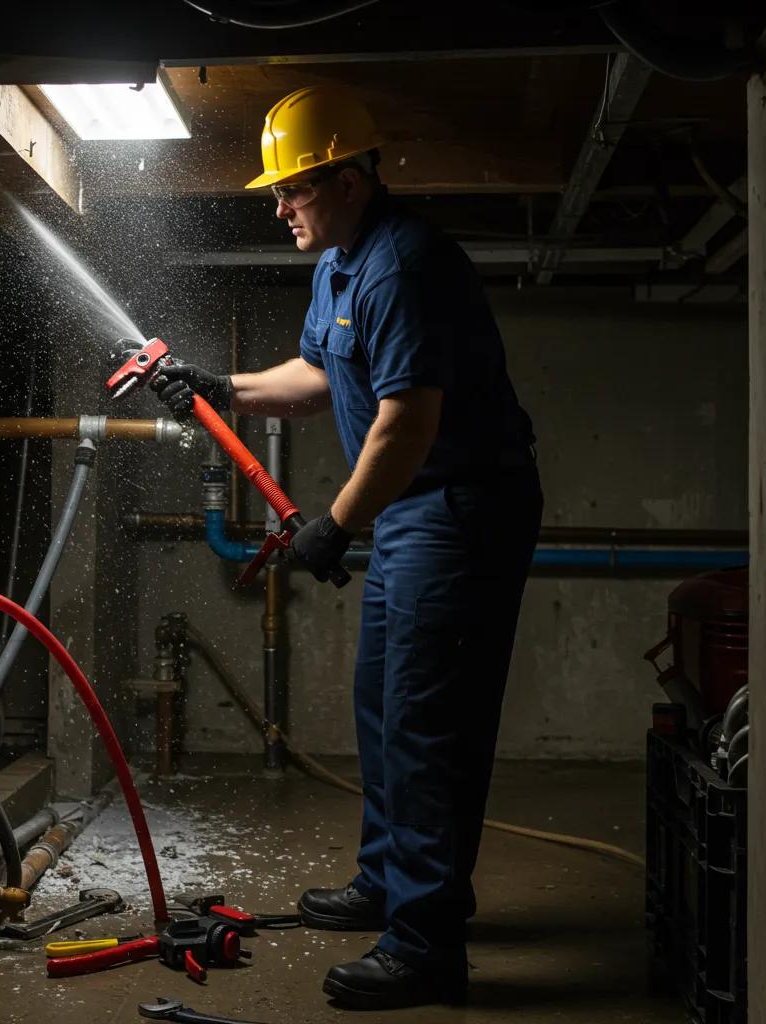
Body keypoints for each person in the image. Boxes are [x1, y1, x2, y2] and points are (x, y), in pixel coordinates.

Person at [150, 86, 542, 1009]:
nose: (279, 207)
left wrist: (334, 524)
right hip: (415, 505)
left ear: (353, 179)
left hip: (459, 506)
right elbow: (320, 374)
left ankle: (426, 941)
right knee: (384, 703)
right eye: (279, 192)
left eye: (295, 189)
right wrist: (223, 388)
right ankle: (389, 884)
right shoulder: (339, 265)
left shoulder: (405, 266)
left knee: (425, 720)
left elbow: (405, 423)